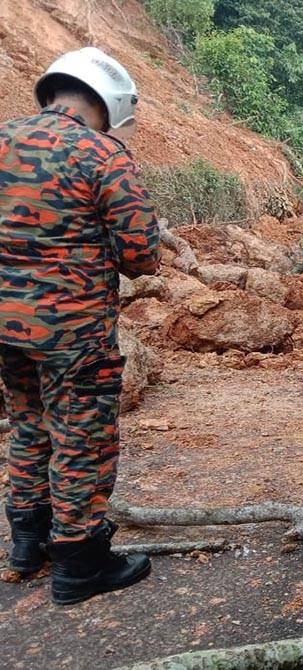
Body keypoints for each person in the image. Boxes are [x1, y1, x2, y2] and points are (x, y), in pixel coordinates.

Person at [0, 46, 160, 605]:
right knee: (80, 436)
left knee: (27, 423)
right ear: (109, 101)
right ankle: (79, 561)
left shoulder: (2, 137)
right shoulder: (103, 154)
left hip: (6, 326)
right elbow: (142, 254)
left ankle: (26, 540)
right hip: (75, 331)